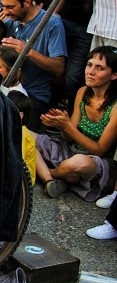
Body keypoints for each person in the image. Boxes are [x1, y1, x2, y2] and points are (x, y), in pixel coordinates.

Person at [35, 46, 117, 200]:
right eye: (89, 65)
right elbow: (68, 139)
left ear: (114, 75)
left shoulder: (115, 106)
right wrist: (61, 124)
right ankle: (58, 178)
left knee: (77, 163)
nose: (90, 71)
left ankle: (50, 173)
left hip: (95, 163)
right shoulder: (83, 91)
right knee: (22, 133)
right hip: (71, 151)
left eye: (100, 68)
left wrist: (67, 127)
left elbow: (99, 150)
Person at [0, 0, 67, 132]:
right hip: (6, 89)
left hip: (33, 95)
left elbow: (59, 68)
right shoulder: (9, 22)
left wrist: (28, 51)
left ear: (27, 3)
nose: (5, 12)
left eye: (10, 7)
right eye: (3, 7)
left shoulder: (52, 24)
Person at [9, 91, 37, 185]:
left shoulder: (22, 134)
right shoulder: (11, 127)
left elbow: (18, 163)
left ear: (20, 115)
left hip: (23, 183)